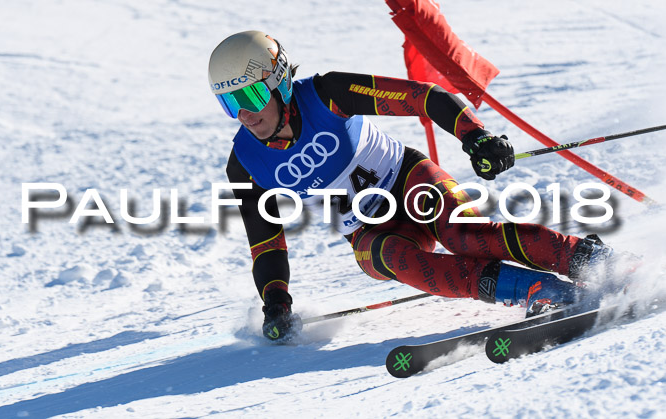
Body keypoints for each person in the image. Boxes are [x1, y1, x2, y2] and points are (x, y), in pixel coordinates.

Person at [208, 30, 613, 341]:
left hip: (408, 180)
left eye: (253, 93)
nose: (245, 113)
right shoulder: (245, 163)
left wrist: (476, 136)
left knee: (464, 236)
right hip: (369, 227)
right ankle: (535, 290)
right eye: (230, 103)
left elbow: (423, 97)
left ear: (279, 82)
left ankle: (592, 260)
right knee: (389, 261)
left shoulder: (327, 94)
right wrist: (276, 303)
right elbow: (266, 244)